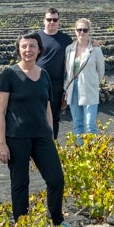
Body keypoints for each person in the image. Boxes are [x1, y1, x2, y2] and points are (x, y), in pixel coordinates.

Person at [0, 32, 71, 227]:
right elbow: (0, 111)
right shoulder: (9, 74)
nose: (28, 50)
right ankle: (22, 226)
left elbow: (47, 107)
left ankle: (56, 220)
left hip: (41, 137)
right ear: (19, 50)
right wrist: (2, 143)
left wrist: (49, 133)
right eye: (24, 46)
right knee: (20, 183)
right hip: (17, 137)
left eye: (32, 46)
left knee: (56, 178)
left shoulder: (44, 75)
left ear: (39, 50)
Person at [63, 18, 105, 143]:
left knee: (90, 124)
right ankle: (80, 153)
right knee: (77, 123)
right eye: (79, 29)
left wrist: (93, 83)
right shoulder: (69, 49)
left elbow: (101, 71)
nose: (82, 32)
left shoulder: (96, 50)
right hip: (72, 88)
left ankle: (93, 153)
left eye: (85, 30)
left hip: (89, 88)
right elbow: (67, 71)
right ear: (75, 31)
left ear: (89, 31)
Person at [36, 7, 73, 140]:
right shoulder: (36, 37)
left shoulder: (66, 39)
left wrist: (93, 43)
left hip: (56, 83)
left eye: (54, 20)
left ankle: (53, 144)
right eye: (49, 19)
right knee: (37, 115)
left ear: (59, 22)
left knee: (54, 116)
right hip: (37, 81)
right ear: (43, 21)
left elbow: (80, 49)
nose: (52, 22)